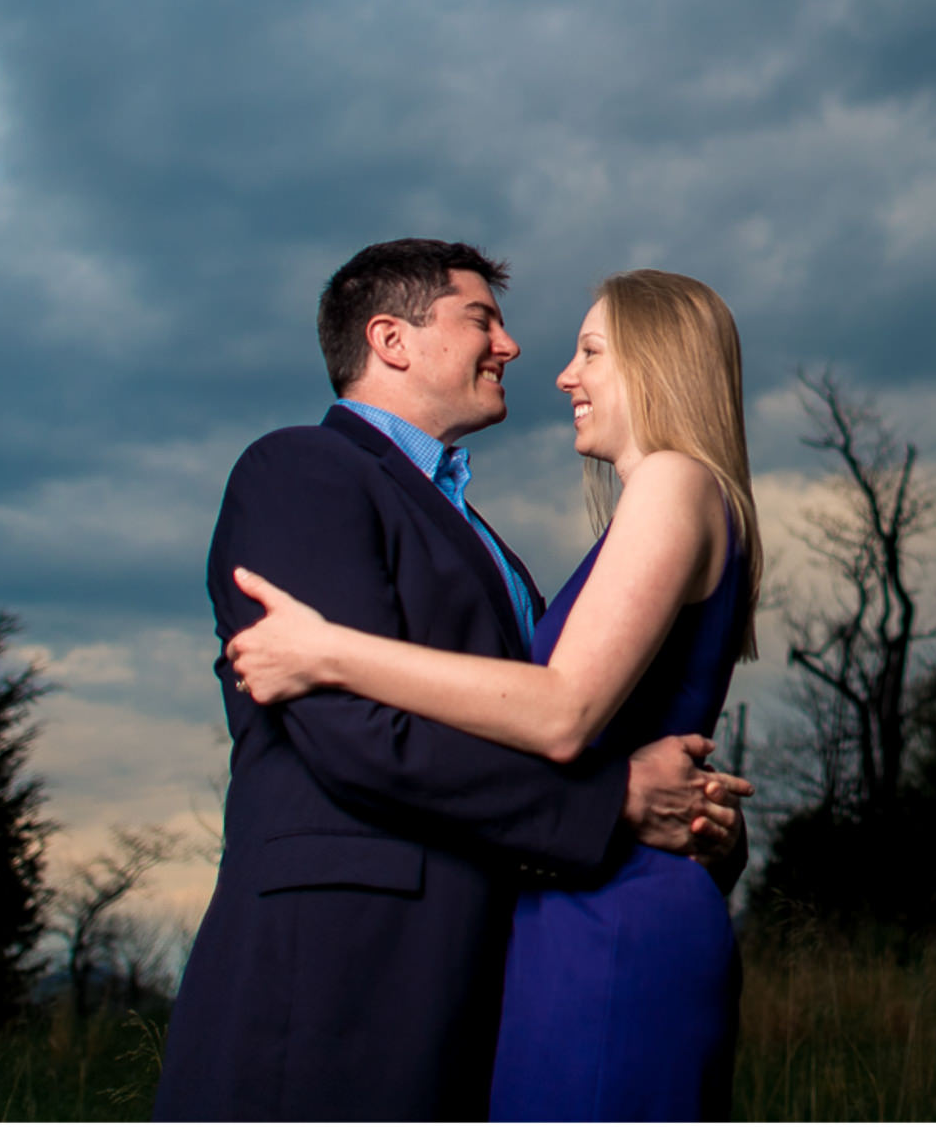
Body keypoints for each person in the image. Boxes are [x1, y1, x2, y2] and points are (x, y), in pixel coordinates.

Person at [158, 241, 751, 1121]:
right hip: (340, 966)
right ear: (392, 341)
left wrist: (688, 816)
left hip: (489, 962)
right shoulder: (301, 471)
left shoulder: (502, 545)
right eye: (483, 319)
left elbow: (559, 719)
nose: (514, 348)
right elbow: (353, 732)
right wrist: (616, 800)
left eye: (586, 349)